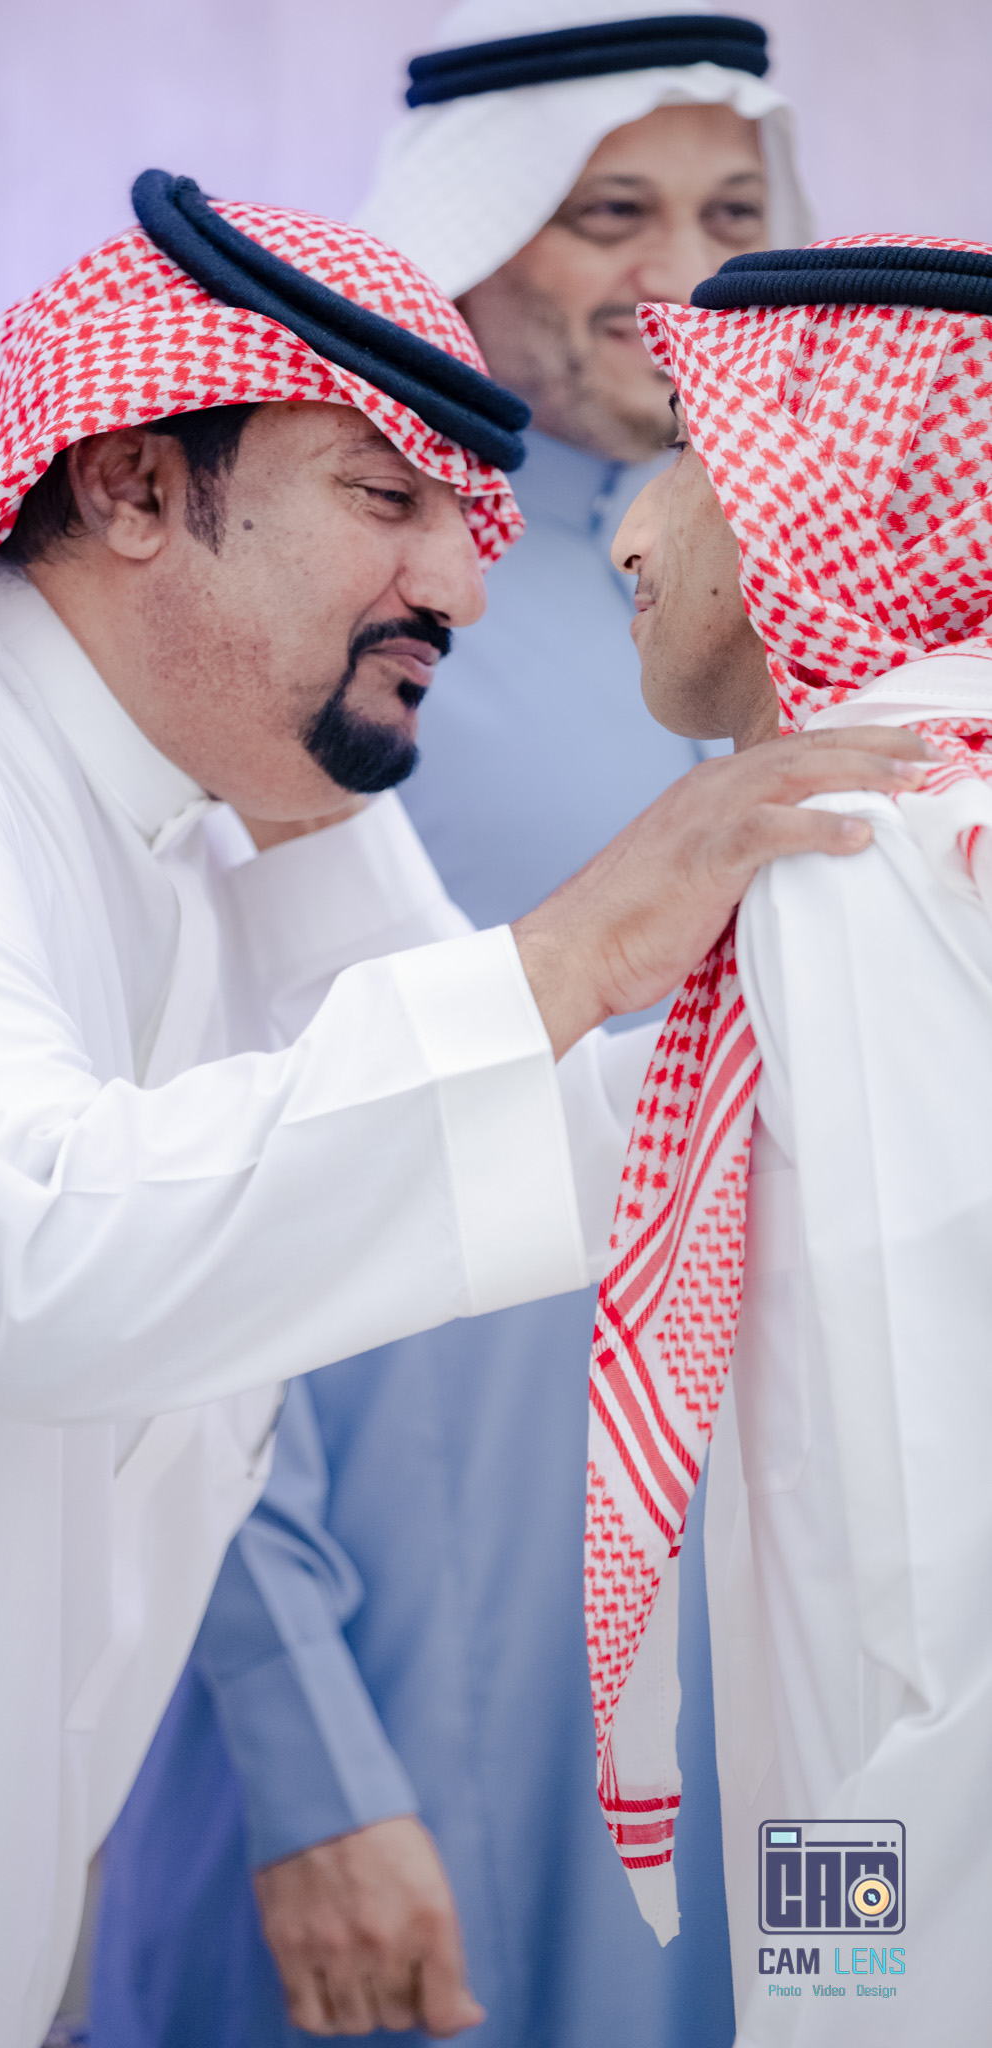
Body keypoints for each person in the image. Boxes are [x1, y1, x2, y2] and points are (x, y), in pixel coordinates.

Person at [0, 169, 918, 2048]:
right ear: (131, 485)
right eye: (387, 502)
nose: (465, 587)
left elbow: (502, 1123)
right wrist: (581, 941)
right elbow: (24, 1259)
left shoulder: (217, 794)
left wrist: (862, 1025)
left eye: (471, 517)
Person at [88, 7, 811, 2045]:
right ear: (469, 239)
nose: (680, 275)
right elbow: (179, 1217)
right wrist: (308, 1756)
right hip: (407, 1619)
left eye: (730, 215)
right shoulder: (332, 640)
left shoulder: (803, 619)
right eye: (611, 213)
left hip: (739, 1597)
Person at [589, 234, 992, 2043]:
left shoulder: (867, 852)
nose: (628, 534)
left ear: (830, 480)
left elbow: (909, 1566)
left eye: (687, 448)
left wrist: (849, 1995)